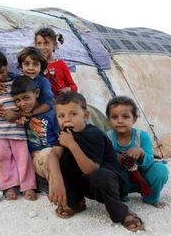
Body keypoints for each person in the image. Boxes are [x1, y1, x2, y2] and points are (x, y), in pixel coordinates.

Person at [47, 92, 144, 232]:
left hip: (109, 184)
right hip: (86, 182)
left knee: (100, 174)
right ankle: (75, 202)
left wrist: (72, 145)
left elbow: (91, 170)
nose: (67, 119)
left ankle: (122, 212)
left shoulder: (94, 134)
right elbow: (53, 155)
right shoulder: (66, 135)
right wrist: (57, 180)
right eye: (61, 116)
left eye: (73, 114)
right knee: (61, 158)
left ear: (85, 116)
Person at [0, 49, 37, 201]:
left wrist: (20, 114)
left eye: (2, 72)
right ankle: (9, 186)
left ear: (6, 66)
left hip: (17, 129)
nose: (0, 76)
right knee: (4, 159)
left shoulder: (16, 82)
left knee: (23, 158)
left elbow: (24, 100)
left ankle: (28, 186)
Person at [105, 96, 169, 208]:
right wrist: (114, 157)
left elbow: (149, 163)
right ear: (109, 120)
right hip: (122, 180)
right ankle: (119, 195)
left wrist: (141, 154)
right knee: (105, 172)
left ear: (134, 119)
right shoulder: (107, 137)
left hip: (142, 177)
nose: (120, 121)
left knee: (160, 169)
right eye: (114, 117)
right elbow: (103, 161)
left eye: (125, 116)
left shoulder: (142, 137)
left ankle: (151, 197)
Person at [11, 76, 59, 181]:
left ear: (37, 93)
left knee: (49, 154)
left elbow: (61, 138)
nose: (22, 104)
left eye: (26, 98)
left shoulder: (51, 114)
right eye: (17, 100)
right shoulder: (20, 118)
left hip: (55, 155)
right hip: (35, 158)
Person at [0, 46, 55, 117]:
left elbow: (51, 103)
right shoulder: (18, 79)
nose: (31, 68)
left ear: (41, 68)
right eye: (26, 64)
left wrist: (31, 113)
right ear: (21, 66)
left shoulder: (43, 82)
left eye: (35, 64)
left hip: (43, 115)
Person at [35, 27, 78, 97]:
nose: (42, 47)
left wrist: (67, 89)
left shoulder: (61, 64)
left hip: (61, 102)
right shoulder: (34, 65)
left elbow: (74, 86)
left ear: (54, 45)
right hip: (44, 103)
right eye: (39, 44)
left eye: (46, 44)